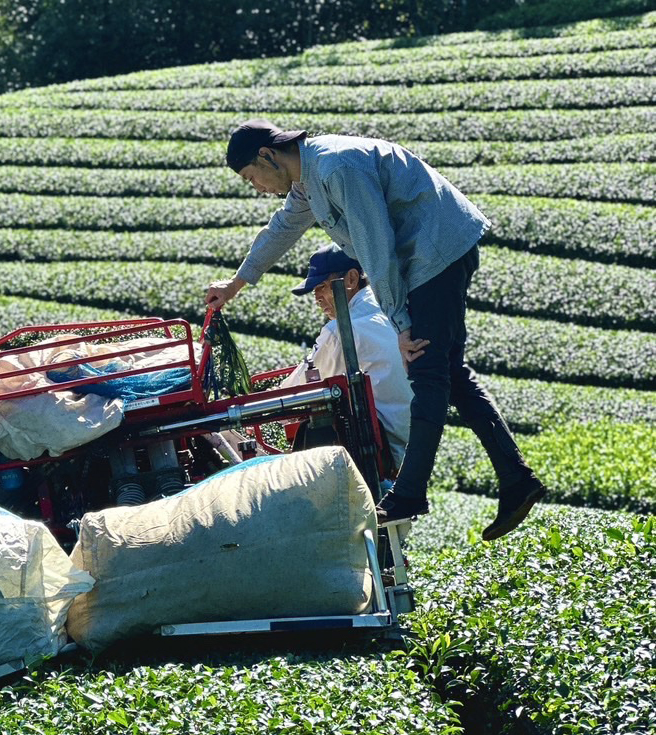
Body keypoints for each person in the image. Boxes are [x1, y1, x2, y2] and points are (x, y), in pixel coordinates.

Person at [205, 118, 545, 541]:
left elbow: (376, 250)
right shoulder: (308, 180)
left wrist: (400, 322)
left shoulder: (335, 169)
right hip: (428, 254)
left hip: (434, 252)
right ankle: (515, 478)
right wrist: (234, 285)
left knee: (429, 372)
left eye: (251, 176)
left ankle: (411, 493)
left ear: (267, 155)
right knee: (448, 372)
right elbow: (283, 228)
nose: (255, 186)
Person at [280, 244, 412, 471]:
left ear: (351, 279)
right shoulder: (391, 309)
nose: (317, 298)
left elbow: (297, 389)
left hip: (380, 450)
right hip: (412, 444)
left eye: (321, 287)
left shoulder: (340, 330)